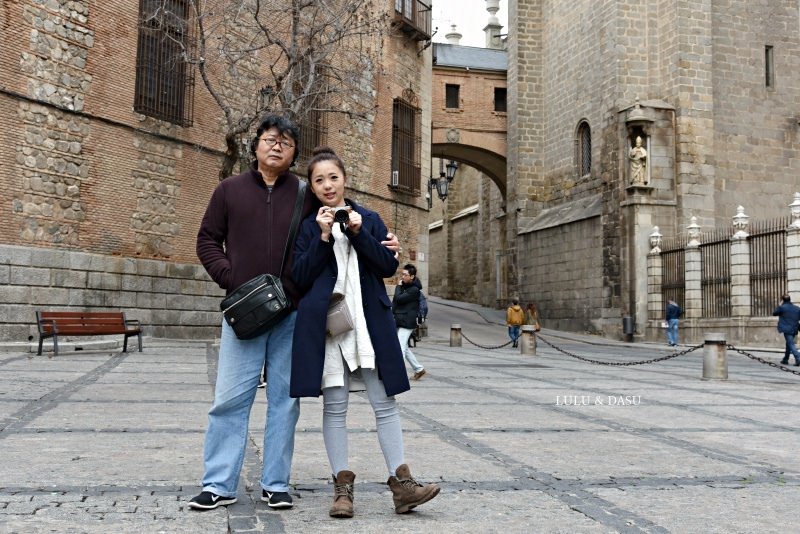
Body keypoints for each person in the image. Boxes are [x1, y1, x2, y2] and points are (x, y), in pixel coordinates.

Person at [191, 115, 399, 511]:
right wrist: (229, 276)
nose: (276, 146)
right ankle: (218, 482)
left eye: (286, 143)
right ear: (255, 146)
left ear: (293, 155)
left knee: (285, 401)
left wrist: (384, 237)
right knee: (230, 399)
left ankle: (276, 483)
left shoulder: (305, 194)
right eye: (270, 139)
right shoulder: (228, 190)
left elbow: (341, 206)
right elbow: (206, 240)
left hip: (291, 312)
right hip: (244, 312)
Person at [290, 147, 440, 519]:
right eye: (319, 180)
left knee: (384, 402)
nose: (327, 185)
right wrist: (325, 238)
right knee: (335, 407)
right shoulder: (308, 227)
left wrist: (357, 233)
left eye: (333, 177)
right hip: (330, 329)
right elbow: (300, 276)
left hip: (369, 326)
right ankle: (342, 489)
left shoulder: (368, 218)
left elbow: (387, 264)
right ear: (312, 186)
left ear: (345, 179)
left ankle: (403, 484)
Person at [392, 264, 427, 380]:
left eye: (405, 275)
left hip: (407, 322)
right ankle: (419, 369)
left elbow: (399, 299)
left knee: (400, 347)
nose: (402, 276)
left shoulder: (414, 290)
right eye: (402, 274)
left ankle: (398, 374)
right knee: (405, 348)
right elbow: (396, 302)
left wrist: (397, 287)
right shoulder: (405, 287)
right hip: (400, 319)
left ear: (412, 276)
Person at [772, 294, 800, 366]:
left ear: (783, 300)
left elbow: (774, 313)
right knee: (789, 344)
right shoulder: (797, 308)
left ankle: (798, 358)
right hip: (794, 328)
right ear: (790, 299)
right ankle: (785, 359)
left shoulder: (782, 308)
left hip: (787, 329)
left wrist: (779, 305)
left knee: (791, 344)